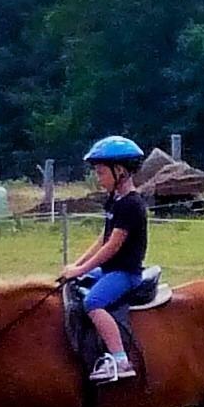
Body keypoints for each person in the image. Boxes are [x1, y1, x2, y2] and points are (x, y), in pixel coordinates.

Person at [59, 134, 151, 382]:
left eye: (101, 173)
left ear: (119, 170)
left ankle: (120, 361)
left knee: (93, 303)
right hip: (109, 269)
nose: (98, 178)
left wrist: (81, 269)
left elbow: (112, 246)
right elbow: (103, 238)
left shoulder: (131, 205)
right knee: (73, 286)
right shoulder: (115, 200)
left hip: (124, 273)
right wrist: (77, 265)